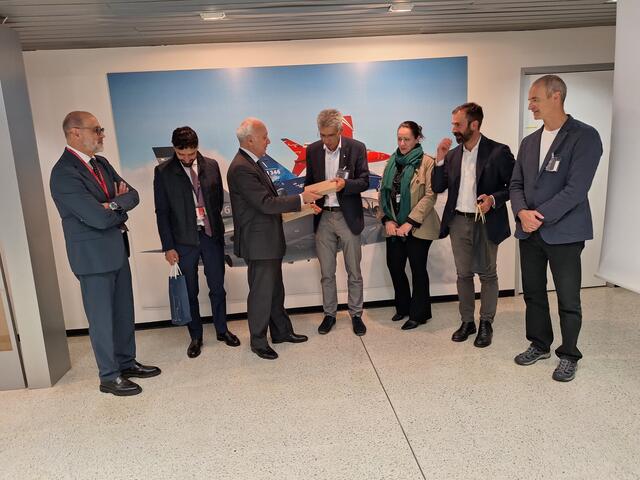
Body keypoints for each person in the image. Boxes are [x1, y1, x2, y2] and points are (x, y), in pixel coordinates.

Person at [49, 111, 160, 396]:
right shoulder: (63, 173)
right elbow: (96, 219)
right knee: (102, 319)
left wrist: (111, 204)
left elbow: (132, 195)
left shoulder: (101, 164)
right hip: (92, 258)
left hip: (116, 249)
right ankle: (109, 376)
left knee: (123, 312)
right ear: (75, 133)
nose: (102, 135)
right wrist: (116, 205)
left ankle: (126, 363)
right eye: (96, 129)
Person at [510, 75, 602, 382]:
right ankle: (539, 344)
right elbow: (516, 184)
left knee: (568, 298)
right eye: (530, 100)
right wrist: (521, 212)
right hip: (529, 232)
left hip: (564, 233)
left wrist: (537, 216)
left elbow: (576, 189)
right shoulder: (529, 142)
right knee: (533, 293)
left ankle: (569, 355)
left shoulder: (584, 136)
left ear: (556, 96)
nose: (530, 105)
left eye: (535, 99)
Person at [227, 117, 321, 360]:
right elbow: (265, 203)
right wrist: (301, 198)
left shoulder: (252, 163)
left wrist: (302, 205)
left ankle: (281, 332)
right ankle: (258, 342)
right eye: (264, 137)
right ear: (250, 140)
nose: (268, 141)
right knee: (262, 293)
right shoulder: (241, 168)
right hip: (259, 243)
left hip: (267, 241)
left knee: (275, 290)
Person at [433, 103, 515, 347]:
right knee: (463, 274)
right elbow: (438, 187)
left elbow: (514, 186)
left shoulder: (498, 152)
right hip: (458, 221)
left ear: (474, 124)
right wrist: (439, 159)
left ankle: (486, 323)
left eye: (458, 124)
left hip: (485, 221)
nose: (453, 129)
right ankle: (467, 321)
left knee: (488, 274)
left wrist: (493, 199)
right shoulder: (452, 155)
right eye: (453, 124)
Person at [153, 126, 240, 359]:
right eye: (181, 154)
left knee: (217, 287)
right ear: (174, 149)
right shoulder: (163, 172)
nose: (186, 158)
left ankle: (222, 330)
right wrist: (168, 246)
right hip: (183, 241)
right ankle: (196, 337)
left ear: (197, 147)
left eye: (190, 154)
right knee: (190, 291)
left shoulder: (211, 165)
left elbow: (218, 201)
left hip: (211, 236)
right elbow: (162, 212)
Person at [304, 109, 370, 336]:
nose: (326, 141)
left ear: (340, 131)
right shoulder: (313, 150)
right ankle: (329, 314)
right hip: (323, 217)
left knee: (354, 270)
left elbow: (364, 181)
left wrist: (345, 185)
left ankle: (356, 314)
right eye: (322, 135)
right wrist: (310, 201)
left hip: (347, 216)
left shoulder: (356, 148)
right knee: (326, 272)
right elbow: (309, 182)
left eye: (330, 135)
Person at [379, 121, 440, 330]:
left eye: (407, 139)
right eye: (399, 139)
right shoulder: (391, 162)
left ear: (417, 139)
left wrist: (410, 222)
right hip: (394, 225)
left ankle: (419, 314)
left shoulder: (427, 162)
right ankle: (403, 307)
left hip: (419, 226)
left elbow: (430, 196)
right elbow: (383, 193)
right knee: (395, 266)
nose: (402, 143)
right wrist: (387, 219)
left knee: (417, 269)